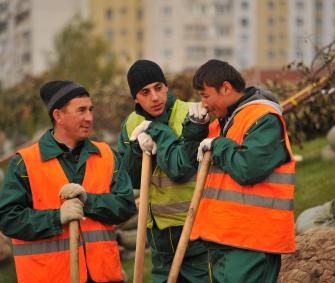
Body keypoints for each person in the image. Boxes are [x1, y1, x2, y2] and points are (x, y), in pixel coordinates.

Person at [0, 80, 137, 283]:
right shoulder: (25, 163)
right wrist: (56, 217)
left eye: (90, 109)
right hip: (50, 276)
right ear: (58, 116)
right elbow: (7, 218)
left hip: (103, 276)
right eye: (81, 110)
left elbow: (126, 205)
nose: (89, 117)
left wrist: (88, 201)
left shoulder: (106, 155)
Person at [189, 59, 296, 283]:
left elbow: (248, 168)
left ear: (226, 88)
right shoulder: (225, 122)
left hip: (251, 241)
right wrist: (194, 129)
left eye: (205, 95)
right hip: (225, 238)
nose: (204, 104)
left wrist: (217, 144)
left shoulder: (263, 119)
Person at [118, 60, 209, 282]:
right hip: (157, 233)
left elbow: (181, 170)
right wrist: (136, 150)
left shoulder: (193, 115)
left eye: (158, 87)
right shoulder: (132, 123)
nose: (155, 97)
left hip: (194, 228)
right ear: (135, 98)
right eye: (145, 92)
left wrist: (156, 130)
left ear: (166, 87)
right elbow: (127, 177)